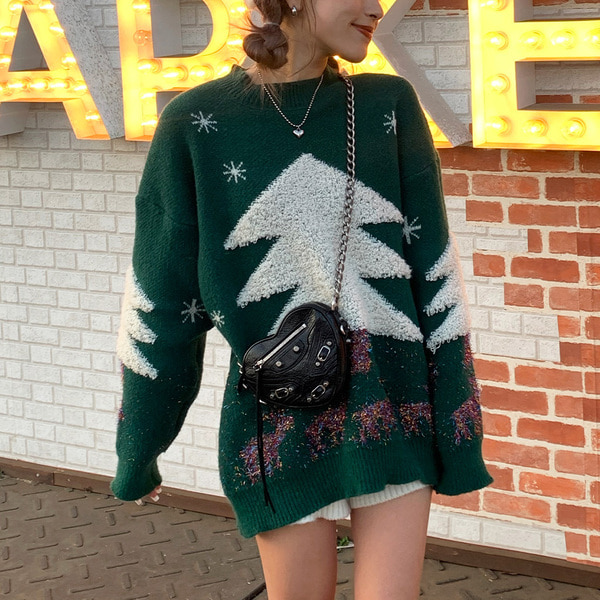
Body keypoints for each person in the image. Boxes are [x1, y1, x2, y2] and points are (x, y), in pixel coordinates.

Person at [111, 0, 493, 598]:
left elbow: (434, 273)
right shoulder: (196, 123)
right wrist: (140, 446)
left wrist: (459, 430)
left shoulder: (388, 105)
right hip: (276, 423)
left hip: (395, 407)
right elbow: (162, 298)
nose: (376, 8)